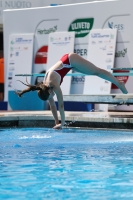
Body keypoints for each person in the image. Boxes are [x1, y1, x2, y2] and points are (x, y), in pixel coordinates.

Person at [16, 53, 128, 129]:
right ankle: (118, 82)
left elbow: (60, 106)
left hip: (70, 59)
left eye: (51, 97)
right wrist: (56, 122)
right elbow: (53, 106)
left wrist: (63, 123)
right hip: (68, 64)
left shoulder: (54, 85)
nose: (52, 99)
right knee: (92, 72)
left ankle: (119, 83)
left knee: (96, 71)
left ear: (50, 92)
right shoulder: (46, 88)